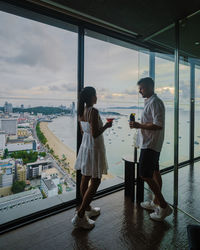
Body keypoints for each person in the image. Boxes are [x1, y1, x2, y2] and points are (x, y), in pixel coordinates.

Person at [129, 77, 173, 221]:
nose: (139, 91)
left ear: (149, 87)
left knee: (144, 174)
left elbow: (158, 124)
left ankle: (164, 206)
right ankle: (156, 203)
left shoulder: (156, 102)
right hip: (149, 143)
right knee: (155, 172)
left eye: (141, 88)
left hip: (151, 144)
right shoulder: (149, 102)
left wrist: (138, 126)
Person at [71, 86, 112, 229]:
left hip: (85, 146)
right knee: (96, 180)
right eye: (95, 94)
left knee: (85, 177)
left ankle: (87, 208)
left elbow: (84, 132)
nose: (97, 97)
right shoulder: (93, 112)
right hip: (94, 148)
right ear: (90, 97)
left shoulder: (81, 112)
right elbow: (95, 133)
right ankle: (81, 215)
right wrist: (107, 126)